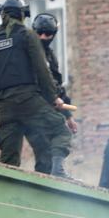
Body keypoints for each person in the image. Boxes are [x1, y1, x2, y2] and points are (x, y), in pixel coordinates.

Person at [0, 0, 72, 176]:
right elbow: (42, 70)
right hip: (30, 102)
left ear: (1, 14)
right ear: (22, 14)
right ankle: (57, 171)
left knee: (9, 162)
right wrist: (54, 98)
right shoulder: (27, 36)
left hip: (5, 109)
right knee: (61, 131)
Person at [30, 12, 78, 173]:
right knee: (61, 133)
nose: (43, 37)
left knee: (45, 155)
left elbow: (56, 84)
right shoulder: (28, 52)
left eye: (48, 33)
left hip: (49, 106)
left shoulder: (50, 55)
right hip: (35, 105)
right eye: (40, 33)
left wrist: (68, 115)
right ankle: (57, 172)